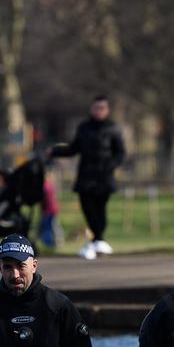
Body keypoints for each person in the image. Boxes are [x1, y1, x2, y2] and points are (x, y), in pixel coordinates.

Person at [49, 95, 125, 260]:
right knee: (87, 208)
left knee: (100, 210)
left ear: (107, 110)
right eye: (96, 108)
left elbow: (120, 152)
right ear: (92, 109)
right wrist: (54, 151)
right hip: (86, 175)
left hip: (104, 176)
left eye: (102, 108)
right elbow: (73, 148)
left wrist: (111, 166)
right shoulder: (84, 128)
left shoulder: (113, 128)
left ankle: (97, 240)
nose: (99, 111)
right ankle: (98, 241)